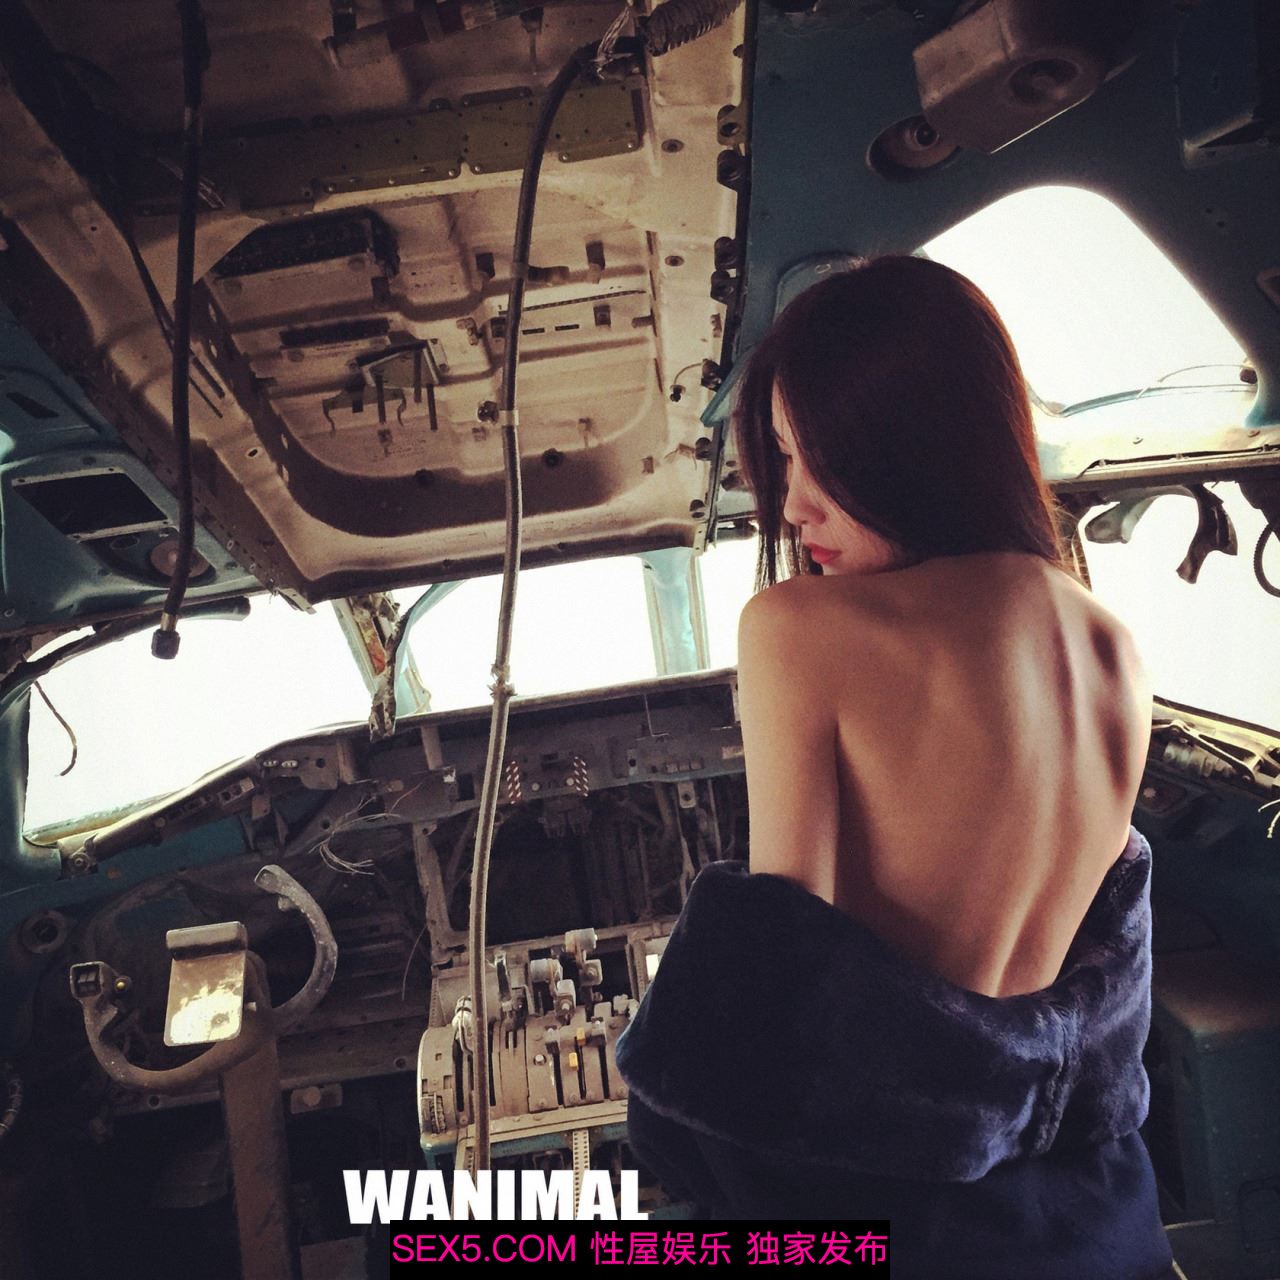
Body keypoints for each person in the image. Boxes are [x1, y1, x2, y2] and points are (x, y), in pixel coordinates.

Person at [614, 256, 1177, 1279]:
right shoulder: (1113, 647)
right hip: (1080, 1217)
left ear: (908, 444)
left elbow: (773, 997)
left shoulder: (797, 629)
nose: (793, 506)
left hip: (895, 1223)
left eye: (814, 458)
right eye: (783, 460)